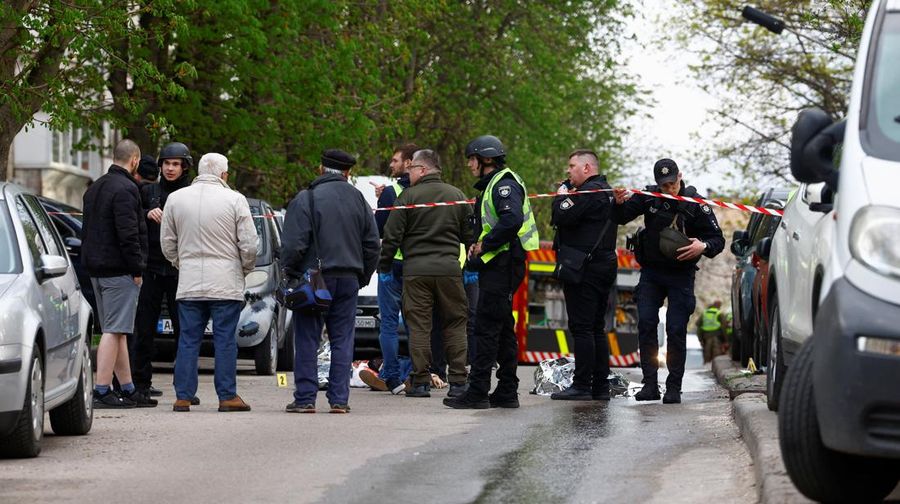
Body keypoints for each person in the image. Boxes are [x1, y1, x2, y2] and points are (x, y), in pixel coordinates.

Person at [612, 158, 725, 403]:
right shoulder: (649, 197)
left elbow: (718, 240)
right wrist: (619, 203)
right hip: (651, 272)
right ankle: (650, 384)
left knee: (675, 329)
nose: (669, 188)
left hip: (681, 274)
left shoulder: (695, 203)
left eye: (672, 183)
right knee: (646, 324)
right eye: (664, 185)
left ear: (680, 176)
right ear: (657, 183)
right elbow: (621, 217)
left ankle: (674, 387)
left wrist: (702, 246)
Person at [281, 149, 379, 414]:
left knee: (307, 338)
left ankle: (305, 398)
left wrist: (289, 272)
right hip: (348, 277)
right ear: (347, 173)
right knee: (343, 339)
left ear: (321, 169)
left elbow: (293, 244)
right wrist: (362, 276)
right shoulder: (359, 199)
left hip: (314, 279)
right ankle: (339, 399)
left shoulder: (307, 198)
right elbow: (372, 244)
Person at [444, 135, 539, 410]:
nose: (469, 164)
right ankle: (507, 390)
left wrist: (486, 243)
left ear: (485, 159)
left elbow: (511, 220)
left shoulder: (504, 185)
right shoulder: (495, 184)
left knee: (485, 328)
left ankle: (478, 391)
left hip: (503, 263)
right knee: (503, 329)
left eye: (471, 159)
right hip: (501, 262)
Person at [161, 153, 258, 412]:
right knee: (224, 339)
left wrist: (182, 263)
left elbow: (167, 243)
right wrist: (244, 268)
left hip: (190, 281)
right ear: (224, 175)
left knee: (188, 339)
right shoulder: (235, 199)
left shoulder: (175, 199)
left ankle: (183, 395)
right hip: (225, 281)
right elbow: (249, 244)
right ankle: (227, 396)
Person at [379, 149, 473, 398]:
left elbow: (391, 237)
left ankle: (420, 383)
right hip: (449, 272)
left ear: (423, 169)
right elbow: (470, 237)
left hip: (415, 272)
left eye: (411, 169)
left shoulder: (408, 197)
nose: (407, 173)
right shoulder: (457, 196)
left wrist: (384, 267)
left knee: (419, 326)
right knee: (455, 324)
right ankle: (459, 382)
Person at [81, 139, 150, 408]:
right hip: (119, 269)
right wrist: (137, 268)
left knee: (118, 329)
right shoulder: (126, 189)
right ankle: (101, 389)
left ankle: (129, 387)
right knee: (113, 330)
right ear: (134, 160)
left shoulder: (95, 187)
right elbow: (128, 234)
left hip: (95, 267)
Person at [549, 150, 618, 401]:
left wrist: (561, 194)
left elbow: (559, 215)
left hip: (584, 269)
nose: (568, 171)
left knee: (582, 328)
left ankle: (582, 385)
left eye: (571, 166)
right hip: (602, 265)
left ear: (587, 168)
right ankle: (599, 386)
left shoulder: (589, 192)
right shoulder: (606, 191)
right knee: (596, 328)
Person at [131, 142, 192, 402]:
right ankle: (140, 383)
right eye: (167, 163)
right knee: (144, 329)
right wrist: (146, 213)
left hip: (181, 269)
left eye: (175, 164)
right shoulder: (148, 191)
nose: (170, 168)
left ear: (184, 167)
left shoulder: (191, 194)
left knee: (185, 330)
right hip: (152, 269)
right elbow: (130, 218)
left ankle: (185, 388)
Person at [373, 143, 418, 395]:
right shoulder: (428, 192)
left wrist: (382, 200)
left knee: (388, 323)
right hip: (418, 265)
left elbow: (379, 229)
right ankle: (416, 373)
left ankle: (390, 374)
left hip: (393, 264)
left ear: (409, 163)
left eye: (395, 160)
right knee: (416, 324)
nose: (391, 165)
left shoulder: (393, 191)